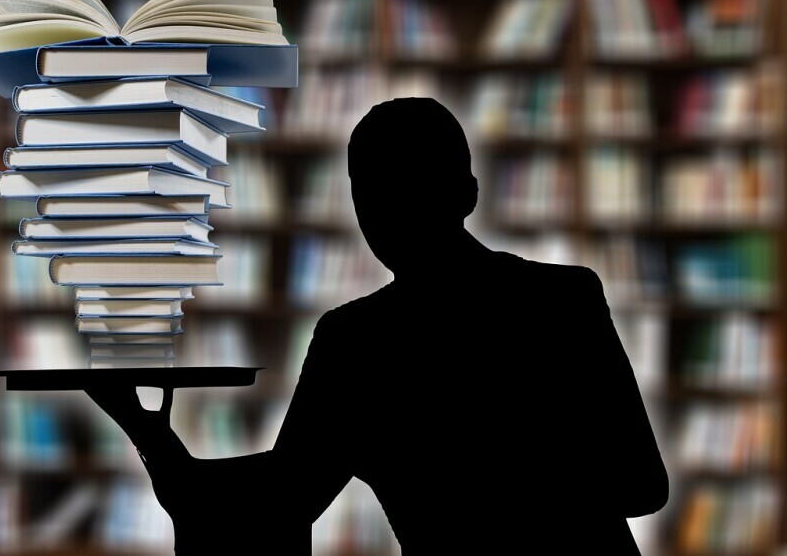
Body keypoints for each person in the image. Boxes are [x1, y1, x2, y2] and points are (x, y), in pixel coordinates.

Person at [86, 97, 669, 555]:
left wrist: (150, 435)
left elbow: (271, 512)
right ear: (467, 193)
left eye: (381, 194)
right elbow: (643, 486)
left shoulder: (357, 343)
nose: (378, 214)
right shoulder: (564, 300)